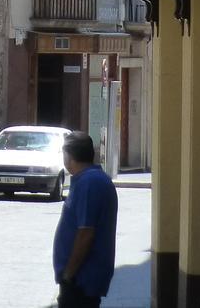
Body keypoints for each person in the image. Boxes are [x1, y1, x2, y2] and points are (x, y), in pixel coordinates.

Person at [53, 131, 118, 308]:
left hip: (81, 281)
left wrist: (69, 273)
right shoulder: (90, 180)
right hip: (81, 280)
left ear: (69, 156)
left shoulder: (89, 183)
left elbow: (86, 233)